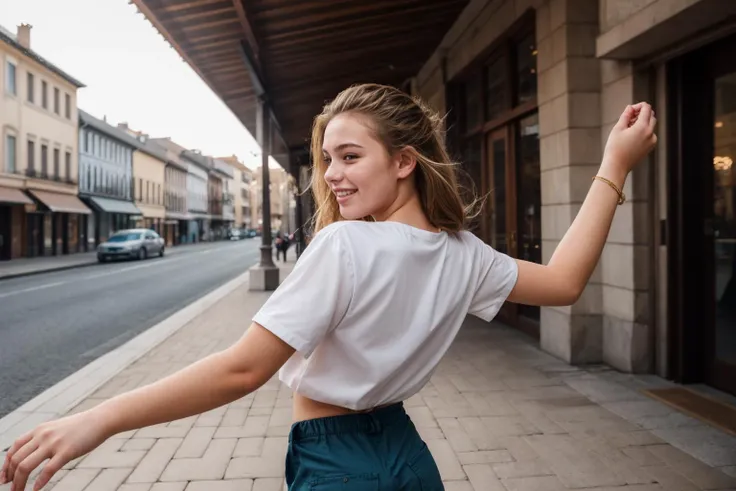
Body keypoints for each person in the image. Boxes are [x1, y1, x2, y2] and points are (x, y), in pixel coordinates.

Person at [0, 84, 656, 491]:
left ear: (403, 162)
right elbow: (567, 282)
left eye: (350, 156)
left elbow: (240, 370)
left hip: (335, 464)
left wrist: (98, 417)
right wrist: (612, 166)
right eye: (326, 160)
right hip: (409, 458)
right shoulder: (464, 254)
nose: (332, 176)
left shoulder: (344, 244)